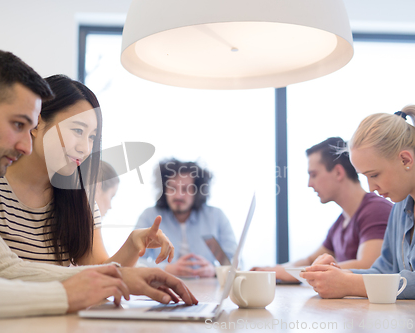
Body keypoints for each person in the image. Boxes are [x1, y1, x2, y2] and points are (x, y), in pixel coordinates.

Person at [0, 50, 196, 333]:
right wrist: (66, 295)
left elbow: (4, 268)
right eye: (18, 125)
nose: (25, 145)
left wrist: (114, 277)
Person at [0, 75, 174, 268]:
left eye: (92, 137)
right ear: (37, 122)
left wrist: (134, 244)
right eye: (77, 131)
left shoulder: (80, 203)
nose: (85, 148)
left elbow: (99, 273)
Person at [301, 107, 415, 299]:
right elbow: (384, 270)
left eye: (374, 175)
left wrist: (350, 284)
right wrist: (336, 275)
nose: (371, 188)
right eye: (366, 177)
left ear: (405, 160)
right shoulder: (399, 209)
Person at [252, 137, 392, 282]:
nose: (309, 184)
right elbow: (310, 259)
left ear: (338, 172)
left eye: (314, 175)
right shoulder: (341, 222)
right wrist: (275, 270)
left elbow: (368, 266)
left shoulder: (376, 210)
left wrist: (300, 273)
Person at [135, 158, 237, 277]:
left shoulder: (216, 216)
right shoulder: (149, 216)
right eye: (172, 188)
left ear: (197, 191)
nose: (178, 195)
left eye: (186, 189)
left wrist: (214, 271)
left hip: (208, 288)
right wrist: (166, 268)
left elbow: (236, 262)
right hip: (164, 286)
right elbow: (134, 261)